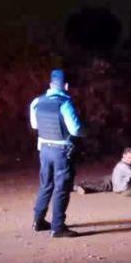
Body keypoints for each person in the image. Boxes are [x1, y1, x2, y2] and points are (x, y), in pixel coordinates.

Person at [29, 69, 82, 238]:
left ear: (50, 84)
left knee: (46, 185)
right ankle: (58, 227)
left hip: (44, 150)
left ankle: (38, 221)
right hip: (62, 152)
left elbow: (35, 126)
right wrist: (85, 132)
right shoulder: (65, 103)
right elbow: (75, 129)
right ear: (66, 85)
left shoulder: (37, 102)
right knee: (62, 188)